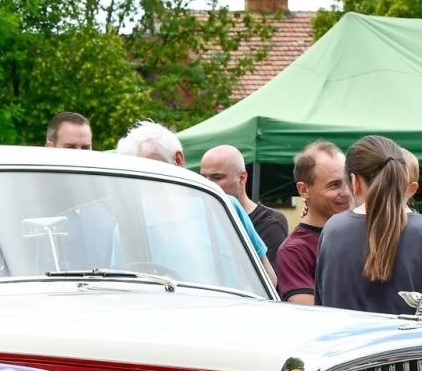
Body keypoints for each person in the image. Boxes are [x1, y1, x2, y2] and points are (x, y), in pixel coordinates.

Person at [313, 134, 422, 326]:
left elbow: (322, 316)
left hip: (344, 346)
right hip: (417, 346)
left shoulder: (333, 232)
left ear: (354, 181)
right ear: (403, 176)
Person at [118, 122, 273, 278]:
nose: (144, 178)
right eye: (136, 171)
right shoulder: (129, 225)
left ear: (178, 160)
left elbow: (268, 276)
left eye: (151, 167)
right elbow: (121, 283)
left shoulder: (224, 206)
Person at [274, 140, 350, 303]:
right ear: (304, 190)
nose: (346, 192)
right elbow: (309, 311)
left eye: (348, 182)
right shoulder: (295, 251)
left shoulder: (360, 234)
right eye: (334, 185)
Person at [199, 143, 289, 264]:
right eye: (203, 177)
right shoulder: (197, 217)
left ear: (242, 178)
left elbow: (268, 273)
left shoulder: (270, 222)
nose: (208, 184)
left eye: (217, 177)